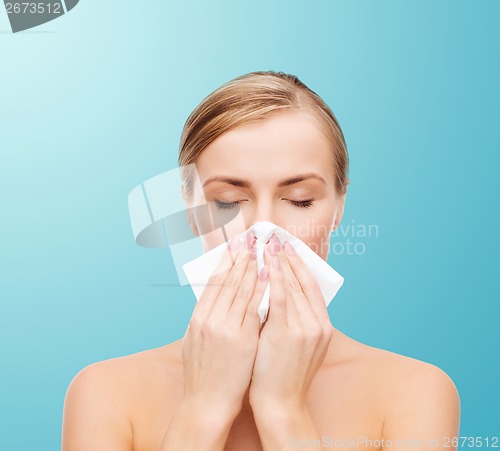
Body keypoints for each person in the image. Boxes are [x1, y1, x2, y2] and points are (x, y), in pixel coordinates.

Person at [62, 71, 460, 451]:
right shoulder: (104, 394)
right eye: (227, 202)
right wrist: (203, 408)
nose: (263, 229)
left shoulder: (414, 392)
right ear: (189, 207)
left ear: (339, 206)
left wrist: (283, 411)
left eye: (300, 199)